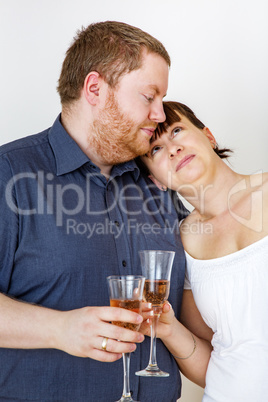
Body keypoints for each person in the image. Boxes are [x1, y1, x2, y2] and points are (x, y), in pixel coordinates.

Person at [0, 23, 188, 401]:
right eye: (150, 96)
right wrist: (60, 329)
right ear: (95, 89)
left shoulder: (160, 183)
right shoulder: (10, 174)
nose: (159, 113)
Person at [139, 100, 268, 401]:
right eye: (155, 149)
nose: (172, 149)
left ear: (208, 136)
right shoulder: (181, 244)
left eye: (177, 130)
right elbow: (214, 358)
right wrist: (168, 328)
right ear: (156, 180)